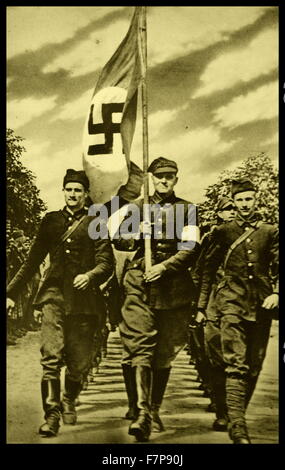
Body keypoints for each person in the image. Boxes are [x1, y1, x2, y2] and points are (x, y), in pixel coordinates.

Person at [7, 169, 114, 438]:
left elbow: (106, 263)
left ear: (86, 194)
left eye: (79, 190)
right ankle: (52, 414)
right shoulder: (51, 221)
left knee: (79, 363)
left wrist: (90, 276)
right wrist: (10, 292)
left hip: (85, 301)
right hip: (54, 295)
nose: (73, 195)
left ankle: (69, 397)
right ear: (63, 191)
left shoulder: (96, 222)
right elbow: (32, 261)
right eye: (69, 189)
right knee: (51, 356)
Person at [114, 156, 200, 442]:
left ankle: (154, 407)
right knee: (141, 345)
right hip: (139, 283)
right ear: (152, 178)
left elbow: (189, 249)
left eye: (170, 176)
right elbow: (118, 240)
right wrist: (137, 232)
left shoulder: (188, 210)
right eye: (159, 176)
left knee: (163, 353)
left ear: (177, 178)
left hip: (172, 287)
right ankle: (141, 414)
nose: (164, 181)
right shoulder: (139, 207)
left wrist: (164, 266)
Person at [197, 178, 278, 444]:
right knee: (236, 364)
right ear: (234, 202)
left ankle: (236, 415)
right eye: (240, 200)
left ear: (256, 200)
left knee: (254, 365)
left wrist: (277, 293)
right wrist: (202, 306)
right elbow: (207, 270)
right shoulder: (222, 232)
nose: (245, 204)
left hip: (262, 304)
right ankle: (238, 427)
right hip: (229, 302)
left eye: (249, 199)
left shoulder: (270, 231)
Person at [192, 196, 236, 431]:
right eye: (226, 210)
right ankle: (222, 409)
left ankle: (234, 410)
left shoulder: (245, 235)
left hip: (240, 306)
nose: (231, 213)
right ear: (219, 214)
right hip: (215, 304)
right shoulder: (212, 238)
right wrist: (199, 306)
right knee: (216, 356)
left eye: (233, 209)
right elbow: (202, 272)